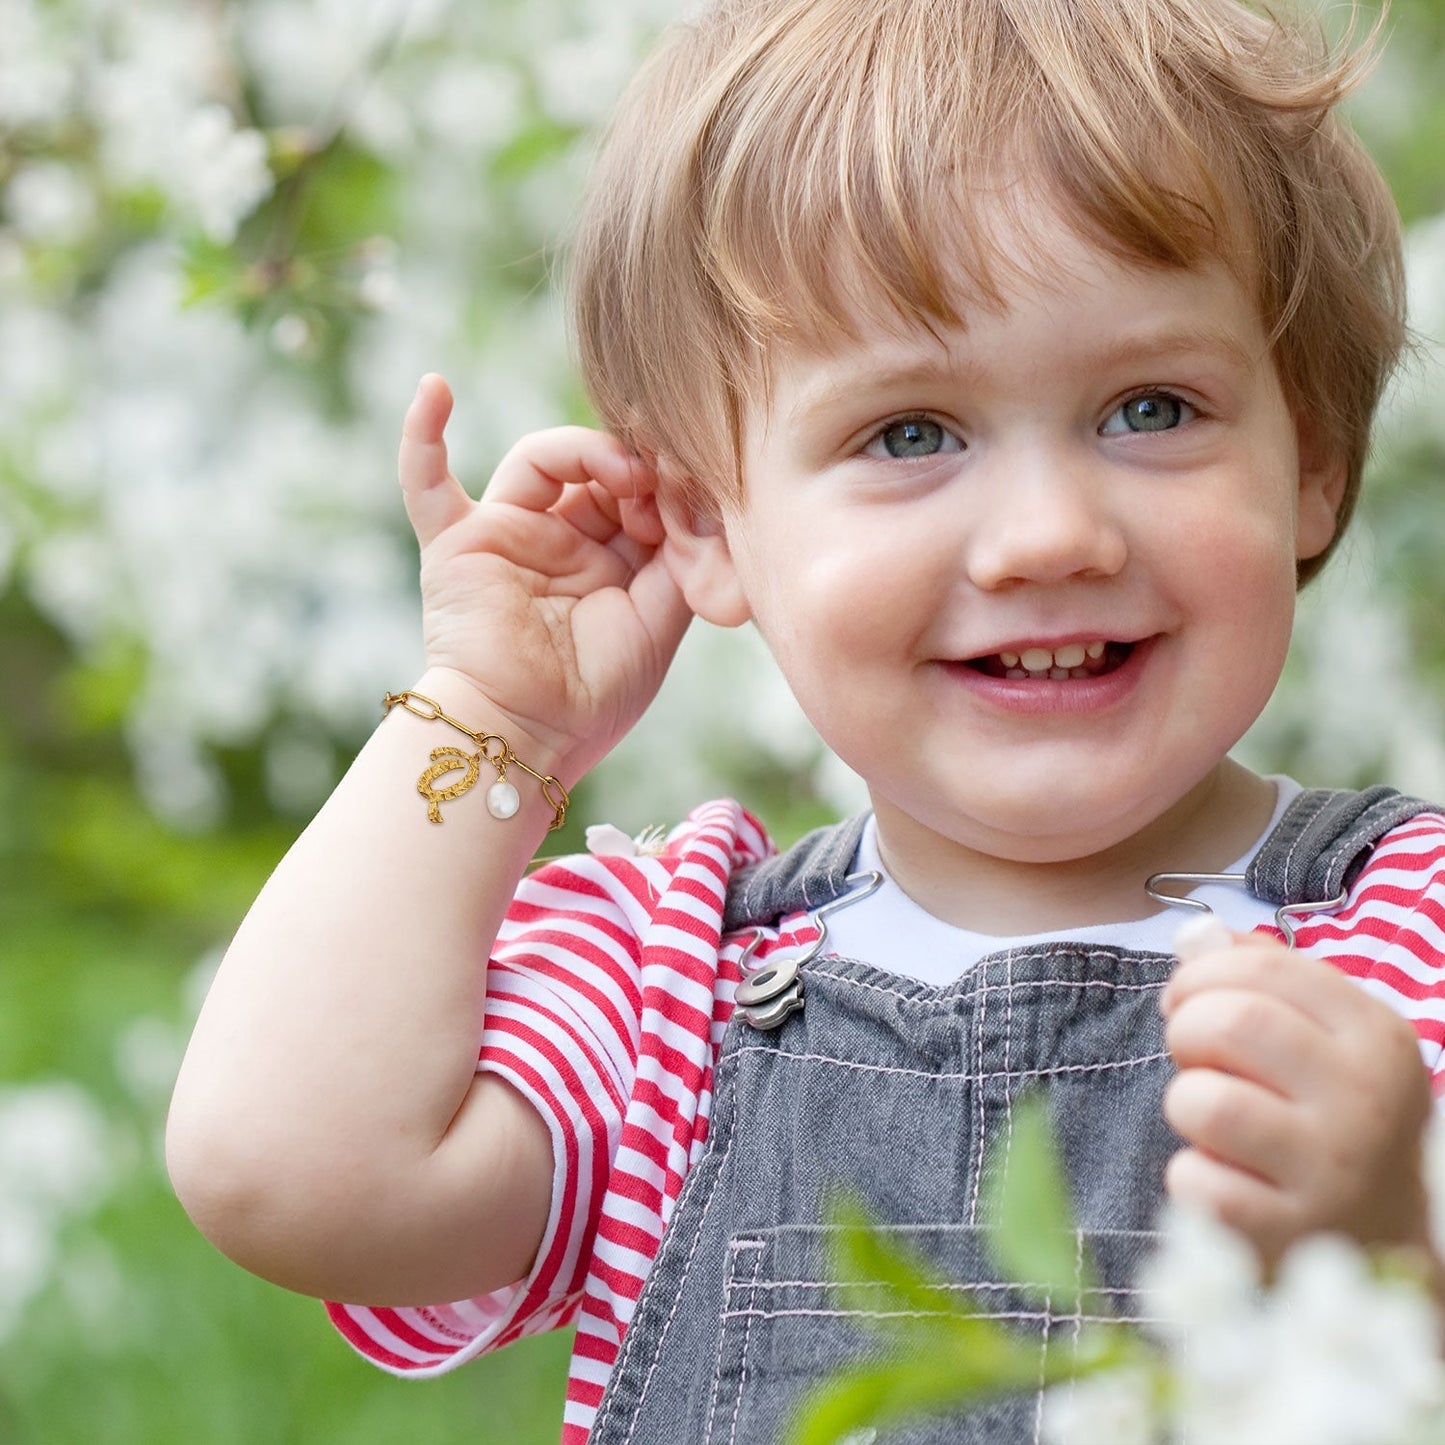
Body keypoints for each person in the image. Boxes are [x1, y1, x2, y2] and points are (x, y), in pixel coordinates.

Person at [166, 0, 1445, 1439]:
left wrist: (1389, 1246)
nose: (1045, 535)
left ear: (1313, 462)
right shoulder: (673, 991)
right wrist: (491, 718)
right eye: (908, 434)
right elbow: (289, 1172)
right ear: (710, 520)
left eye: (1149, 407)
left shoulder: (1404, 945)